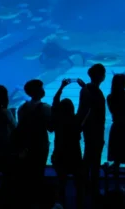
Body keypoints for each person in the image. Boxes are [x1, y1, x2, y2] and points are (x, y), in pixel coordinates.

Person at [14, 79, 52, 206]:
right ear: (39, 91)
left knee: (27, 172)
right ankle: (38, 199)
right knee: (39, 171)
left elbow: (21, 127)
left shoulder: (22, 108)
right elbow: (51, 127)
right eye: (41, 88)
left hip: (26, 145)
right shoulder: (46, 108)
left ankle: (27, 199)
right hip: (40, 145)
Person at [50, 79, 84, 208]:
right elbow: (84, 106)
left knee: (61, 181)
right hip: (75, 155)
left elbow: (55, 102)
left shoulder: (57, 120)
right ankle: (80, 204)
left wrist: (61, 87)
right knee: (79, 183)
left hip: (59, 153)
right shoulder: (76, 120)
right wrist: (84, 88)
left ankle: (61, 204)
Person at [77, 63, 106, 201]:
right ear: (101, 76)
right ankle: (91, 187)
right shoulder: (91, 90)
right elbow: (87, 109)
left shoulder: (87, 89)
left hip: (90, 128)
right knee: (93, 158)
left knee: (89, 156)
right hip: (94, 128)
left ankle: (86, 186)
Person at [106, 73, 125, 193]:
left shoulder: (110, 97)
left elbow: (113, 110)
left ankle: (116, 186)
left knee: (117, 160)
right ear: (123, 83)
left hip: (116, 128)